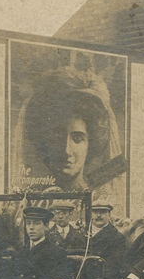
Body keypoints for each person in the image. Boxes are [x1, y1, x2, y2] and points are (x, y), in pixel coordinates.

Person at [16, 66, 124, 195]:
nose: (67, 150)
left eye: (77, 139)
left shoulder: (98, 200)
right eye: (57, 138)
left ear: (91, 143)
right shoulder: (34, 199)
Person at [86, 201, 127, 279]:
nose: (98, 215)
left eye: (102, 212)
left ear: (109, 215)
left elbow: (114, 265)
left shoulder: (117, 237)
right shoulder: (82, 234)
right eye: (95, 212)